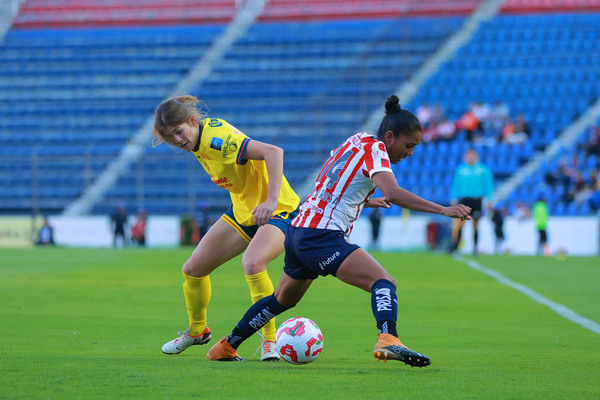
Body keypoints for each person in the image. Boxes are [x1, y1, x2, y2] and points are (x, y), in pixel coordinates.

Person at [205, 95, 472, 366]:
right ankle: (388, 338)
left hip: (299, 229)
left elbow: (331, 186)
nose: (410, 152)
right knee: (383, 282)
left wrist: (364, 201)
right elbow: (395, 192)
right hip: (321, 235)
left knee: (281, 299)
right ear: (389, 137)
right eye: (408, 145)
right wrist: (443, 210)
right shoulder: (377, 151)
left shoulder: (356, 141)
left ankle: (226, 346)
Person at [152, 95, 300, 361]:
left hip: (279, 210)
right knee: (193, 269)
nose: (177, 140)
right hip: (245, 211)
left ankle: (269, 342)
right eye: (170, 137)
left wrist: (270, 199)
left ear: (192, 121)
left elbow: (273, 152)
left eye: (179, 132)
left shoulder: (215, 140)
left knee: (253, 263)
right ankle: (197, 331)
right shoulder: (198, 140)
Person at [449, 148, 494, 255]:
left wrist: (490, 200)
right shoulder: (460, 170)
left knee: (475, 225)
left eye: (472, 156)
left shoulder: (483, 170)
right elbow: (456, 185)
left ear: (476, 157)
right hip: (464, 200)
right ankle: (455, 247)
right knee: (460, 224)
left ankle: (475, 248)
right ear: (465, 157)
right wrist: (454, 198)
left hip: (477, 200)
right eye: (468, 156)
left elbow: (489, 186)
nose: (470, 158)